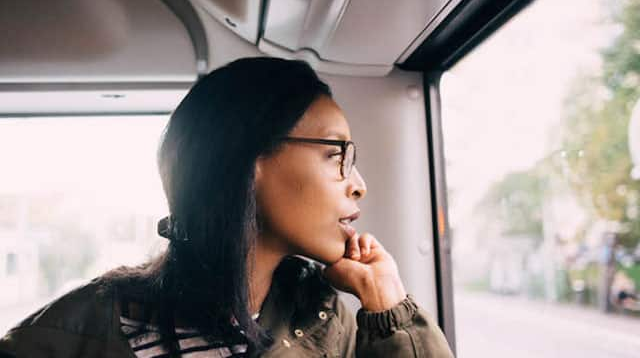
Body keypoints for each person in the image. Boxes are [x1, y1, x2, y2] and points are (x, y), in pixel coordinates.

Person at [0, 57, 453, 357]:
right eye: (336, 154)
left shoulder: (326, 319)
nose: (359, 186)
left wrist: (388, 304)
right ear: (248, 160)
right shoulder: (77, 333)